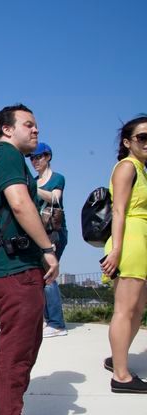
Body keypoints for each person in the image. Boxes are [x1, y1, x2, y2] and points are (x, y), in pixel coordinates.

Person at [0, 104, 62, 415]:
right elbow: (19, 202)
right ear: (6, 129)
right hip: (11, 267)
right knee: (16, 353)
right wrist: (47, 248)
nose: (36, 131)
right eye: (29, 124)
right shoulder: (6, 155)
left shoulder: (2, 158)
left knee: (26, 346)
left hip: (12, 264)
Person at [100, 115, 147, 393]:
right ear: (128, 142)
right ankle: (121, 376)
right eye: (142, 137)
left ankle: (118, 360)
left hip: (140, 240)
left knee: (137, 310)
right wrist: (116, 249)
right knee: (125, 310)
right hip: (129, 240)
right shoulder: (127, 167)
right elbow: (118, 210)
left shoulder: (141, 169)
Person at [30, 142, 68, 338]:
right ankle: (49, 319)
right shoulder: (33, 180)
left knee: (49, 274)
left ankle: (56, 323)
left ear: (48, 157)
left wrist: (31, 186)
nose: (35, 161)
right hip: (39, 233)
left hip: (55, 232)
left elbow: (55, 198)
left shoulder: (57, 178)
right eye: (32, 158)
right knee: (41, 276)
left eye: (39, 157)